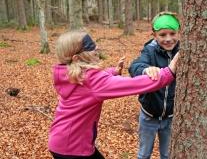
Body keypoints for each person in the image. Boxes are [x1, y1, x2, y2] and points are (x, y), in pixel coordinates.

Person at [48, 30, 179, 159]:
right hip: (73, 149)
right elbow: (133, 84)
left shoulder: (69, 74)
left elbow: (92, 82)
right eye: (91, 48)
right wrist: (168, 73)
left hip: (62, 140)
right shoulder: (91, 81)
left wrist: (112, 72)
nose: (97, 48)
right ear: (76, 58)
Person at [128, 12, 181, 159]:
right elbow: (135, 67)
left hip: (171, 117)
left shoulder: (183, 51)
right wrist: (146, 69)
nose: (168, 39)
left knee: (168, 154)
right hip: (148, 116)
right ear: (154, 35)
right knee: (144, 154)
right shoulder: (150, 51)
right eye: (163, 35)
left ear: (179, 32)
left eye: (172, 33)